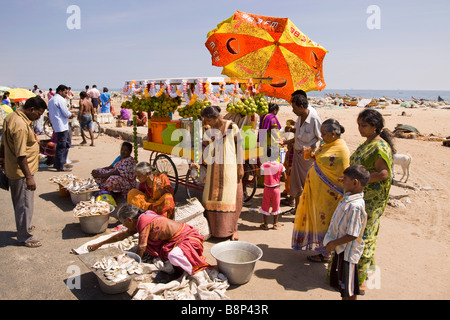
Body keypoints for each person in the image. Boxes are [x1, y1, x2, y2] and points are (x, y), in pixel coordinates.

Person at [87, 204, 211, 275]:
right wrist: (98, 244)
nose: (124, 226)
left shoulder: (143, 220)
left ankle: (191, 272)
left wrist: (135, 263)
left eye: (123, 223)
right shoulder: (138, 220)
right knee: (150, 249)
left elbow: (142, 246)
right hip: (171, 240)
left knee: (173, 256)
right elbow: (121, 236)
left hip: (186, 238)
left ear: (130, 220)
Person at [348, 109, 394, 292]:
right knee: (362, 235)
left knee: (364, 238)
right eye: (358, 125)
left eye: (364, 125)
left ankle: (360, 280)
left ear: (375, 127)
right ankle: (367, 274)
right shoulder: (366, 143)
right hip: (359, 198)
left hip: (371, 201)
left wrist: (360, 180)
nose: (360, 129)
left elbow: (383, 174)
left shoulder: (379, 147)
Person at [291, 119, 350, 262]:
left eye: (324, 134)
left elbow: (340, 172)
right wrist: (311, 154)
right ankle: (321, 249)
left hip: (330, 195)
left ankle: (325, 253)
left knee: (326, 222)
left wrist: (315, 157)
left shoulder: (341, 149)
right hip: (319, 193)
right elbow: (318, 159)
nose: (321, 136)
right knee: (319, 220)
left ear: (334, 134)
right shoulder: (326, 144)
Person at [0, 96, 48, 248]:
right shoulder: (20, 125)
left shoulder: (11, 117)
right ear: (31, 109)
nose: (39, 117)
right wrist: (29, 177)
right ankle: (24, 236)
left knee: (19, 202)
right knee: (25, 204)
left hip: (13, 169)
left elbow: (3, 143)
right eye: (38, 114)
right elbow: (21, 155)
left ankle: (23, 226)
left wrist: (2, 158)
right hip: (21, 172)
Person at [324, 165, 370, 300]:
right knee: (343, 286)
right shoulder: (350, 196)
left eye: (345, 179)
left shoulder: (355, 207)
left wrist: (333, 243)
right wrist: (345, 181)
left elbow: (353, 234)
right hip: (341, 250)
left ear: (355, 182)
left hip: (347, 253)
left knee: (348, 290)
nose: (342, 181)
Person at [200, 105, 244, 241]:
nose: (207, 123)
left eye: (208, 120)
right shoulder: (208, 129)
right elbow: (205, 146)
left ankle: (232, 230)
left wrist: (240, 166)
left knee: (230, 198)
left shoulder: (231, 127)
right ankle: (214, 230)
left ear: (216, 117)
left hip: (230, 168)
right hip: (213, 167)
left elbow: (239, 146)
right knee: (209, 197)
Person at [283, 90, 322, 214]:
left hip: (308, 158)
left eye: (294, 107)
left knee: (307, 186)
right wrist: (289, 142)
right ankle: (299, 211)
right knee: (297, 186)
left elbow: (323, 138)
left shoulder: (314, 119)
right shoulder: (299, 118)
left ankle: (308, 212)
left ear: (301, 107)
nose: (292, 110)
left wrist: (316, 154)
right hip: (297, 155)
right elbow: (299, 136)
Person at [47, 85, 74, 172]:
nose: (66, 94)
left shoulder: (51, 100)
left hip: (57, 125)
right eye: (65, 92)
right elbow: (66, 113)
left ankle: (59, 163)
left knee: (64, 144)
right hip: (62, 126)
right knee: (62, 146)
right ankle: (60, 165)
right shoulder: (60, 100)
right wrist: (71, 114)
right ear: (60, 91)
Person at [259, 160, 286, 230]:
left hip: (267, 189)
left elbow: (260, 175)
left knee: (265, 206)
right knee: (276, 206)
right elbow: (284, 177)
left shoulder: (264, 164)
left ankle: (265, 225)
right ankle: (275, 224)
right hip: (276, 189)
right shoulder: (280, 166)